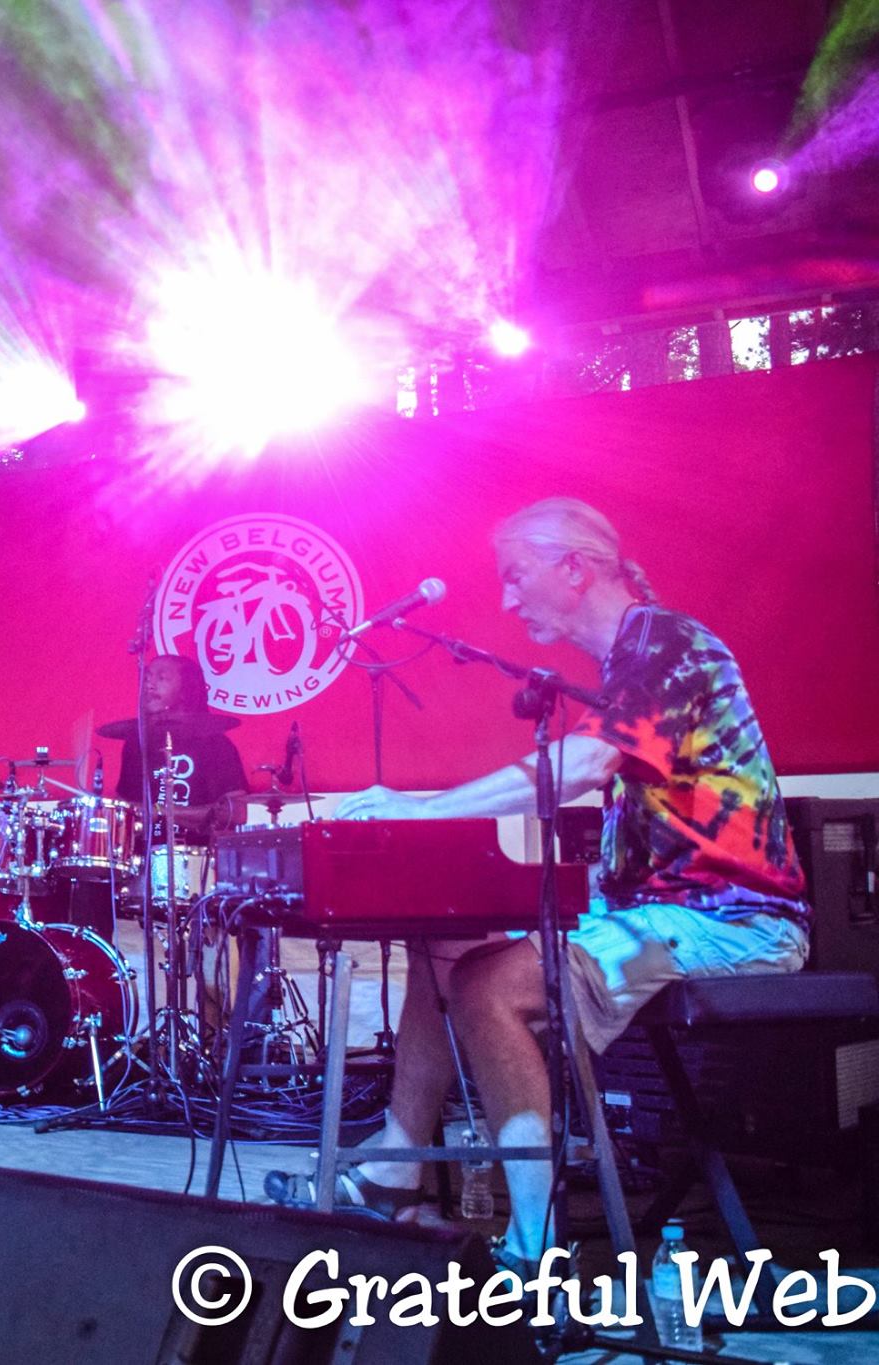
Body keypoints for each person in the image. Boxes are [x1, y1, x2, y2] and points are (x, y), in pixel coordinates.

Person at [269, 498, 807, 1272]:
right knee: (443, 943)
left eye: (517, 576)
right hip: (661, 913)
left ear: (575, 567)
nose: (507, 599)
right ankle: (394, 1171)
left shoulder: (668, 642)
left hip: (731, 922)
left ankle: (534, 1253)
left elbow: (584, 763)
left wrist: (424, 808)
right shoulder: (632, 658)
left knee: (490, 987)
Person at [114, 653, 248, 825]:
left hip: (199, 842)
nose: (148, 685)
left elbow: (237, 814)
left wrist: (163, 812)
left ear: (185, 691)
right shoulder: (136, 744)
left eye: (161, 678)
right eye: (147, 678)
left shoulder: (216, 745)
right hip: (145, 843)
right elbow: (122, 810)